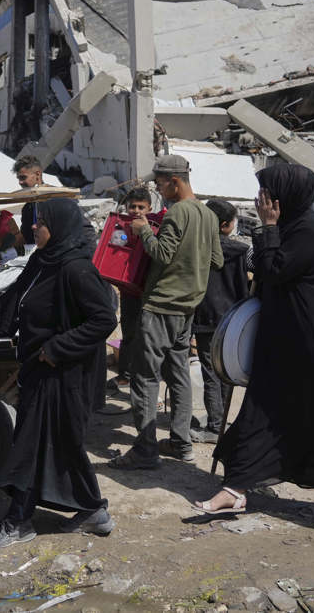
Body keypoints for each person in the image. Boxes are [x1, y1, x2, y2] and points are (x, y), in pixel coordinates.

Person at [195, 163, 314, 521]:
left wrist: (267, 228)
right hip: (281, 339)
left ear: (286, 195)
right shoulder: (289, 227)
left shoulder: (309, 231)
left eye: (268, 193)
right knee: (261, 409)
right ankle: (234, 489)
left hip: (312, 341)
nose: (262, 200)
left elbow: (274, 269)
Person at [0, 198, 118, 548]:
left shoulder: (76, 269)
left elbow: (104, 319)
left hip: (65, 375)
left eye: (41, 222)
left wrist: (57, 348)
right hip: (40, 369)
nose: (34, 226)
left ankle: (18, 519)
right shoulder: (41, 262)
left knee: (31, 444)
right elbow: (11, 297)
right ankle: (93, 510)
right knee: (61, 446)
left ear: (59, 227)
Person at [111, 154, 223, 469]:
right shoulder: (208, 214)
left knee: (145, 378)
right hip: (187, 308)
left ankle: (145, 451)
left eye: (160, 183)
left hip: (161, 306)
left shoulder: (177, 214)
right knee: (179, 375)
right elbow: (217, 261)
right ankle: (181, 442)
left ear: (174, 181)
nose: (158, 189)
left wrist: (145, 229)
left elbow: (161, 253)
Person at [191, 199, 250, 444]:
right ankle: (220, 420)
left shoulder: (198, 248)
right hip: (233, 319)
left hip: (206, 317)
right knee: (225, 371)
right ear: (226, 225)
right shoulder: (240, 251)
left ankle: (215, 426)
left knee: (210, 371)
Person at [112, 186, 154, 388]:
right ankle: (125, 375)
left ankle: (145, 377)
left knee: (147, 336)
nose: (136, 211)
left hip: (149, 291)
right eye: (132, 207)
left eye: (141, 207)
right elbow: (116, 250)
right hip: (129, 291)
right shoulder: (120, 226)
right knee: (129, 334)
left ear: (149, 208)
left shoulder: (155, 226)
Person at [13, 155, 46, 246]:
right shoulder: (28, 207)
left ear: (37, 175)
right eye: (19, 178)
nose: (20, 182)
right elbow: (26, 237)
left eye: (23, 177)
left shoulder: (57, 199)